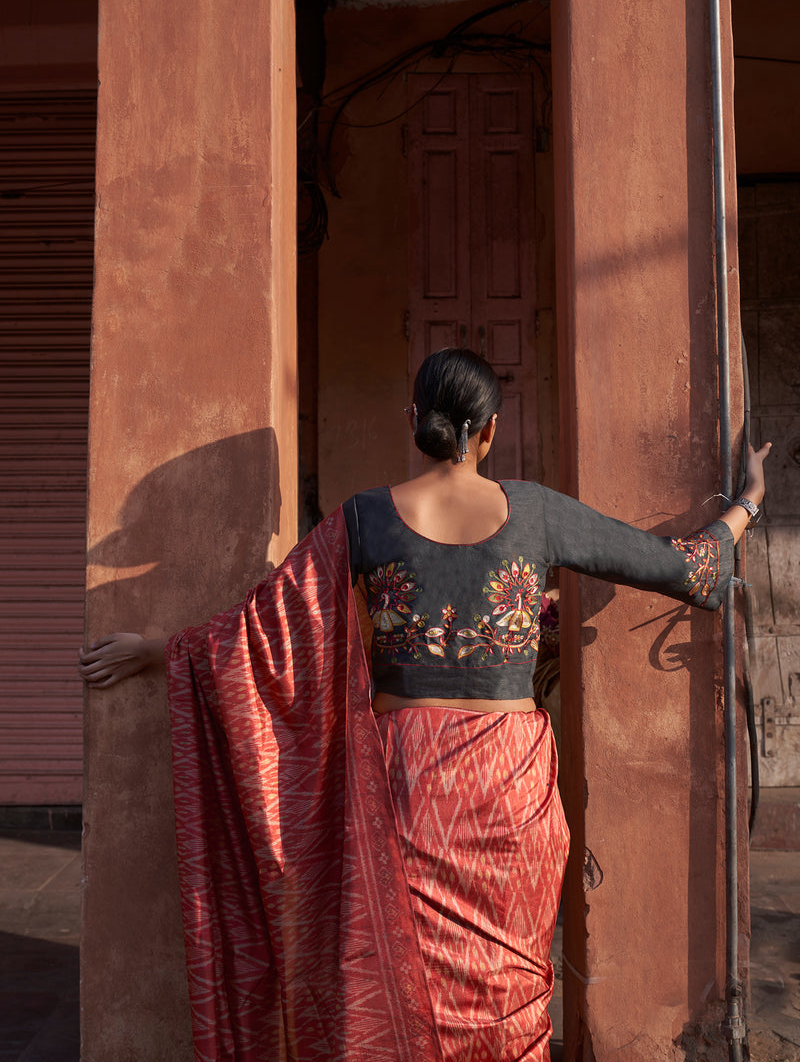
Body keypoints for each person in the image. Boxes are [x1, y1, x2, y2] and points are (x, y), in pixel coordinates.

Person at [80, 348, 770, 1062]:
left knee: (402, 995)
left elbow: (261, 633)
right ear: (491, 432)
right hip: (510, 790)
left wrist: (158, 650)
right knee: (505, 1006)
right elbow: (690, 568)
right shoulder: (534, 511)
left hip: (408, 786)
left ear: (415, 421)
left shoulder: (367, 518)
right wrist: (747, 501)